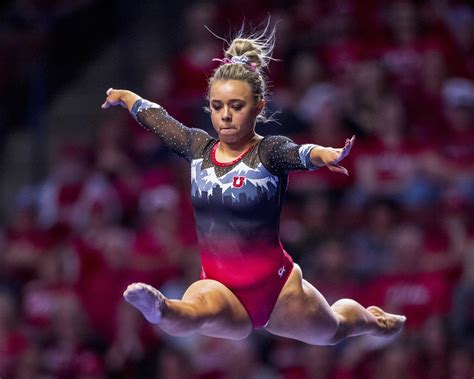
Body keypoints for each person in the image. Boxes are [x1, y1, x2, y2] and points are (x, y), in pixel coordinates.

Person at [101, 25, 406, 345]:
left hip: (278, 291)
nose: (226, 117)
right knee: (193, 312)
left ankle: (371, 320)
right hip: (220, 287)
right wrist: (126, 97)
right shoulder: (198, 149)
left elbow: (298, 153)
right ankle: (159, 307)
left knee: (334, 331)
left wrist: (323, 154)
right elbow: (160, 120)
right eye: (218, 107)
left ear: (258, 107)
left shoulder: (268, 151)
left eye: (237, 106)